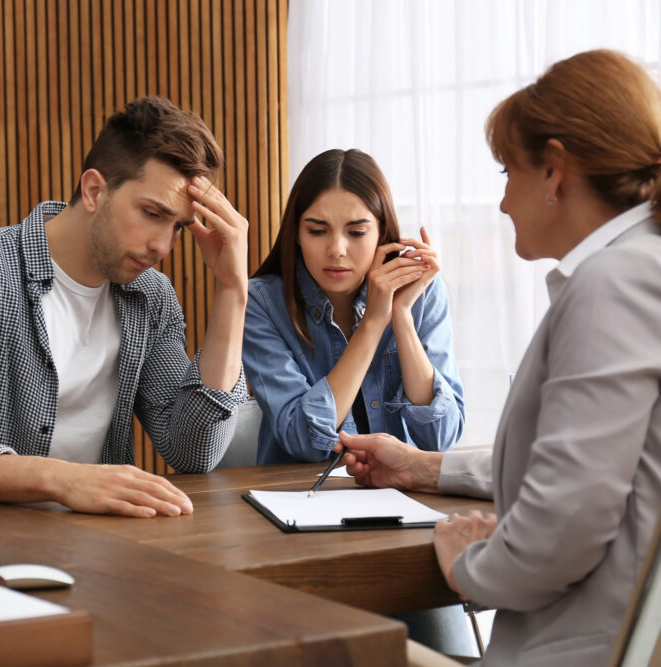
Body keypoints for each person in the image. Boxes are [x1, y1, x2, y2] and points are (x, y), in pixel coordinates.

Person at [337, 49, 661, 666]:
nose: (505, 202)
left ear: (555, 172)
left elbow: (562, 532)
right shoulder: (639, 269)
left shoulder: (613, 285)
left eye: (508, 170)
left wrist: (469, 568)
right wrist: (423, 469)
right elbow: (596, 465)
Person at [0, 96, 250, 518]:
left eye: (178, 227)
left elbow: (193, 451)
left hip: (110, 547)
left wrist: (231, 290)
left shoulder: (151, 297)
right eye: (152, 213)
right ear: (94, 190)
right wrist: (64, 480)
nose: (163, 246)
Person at [242, 148, 464, 464]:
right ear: (296, 234)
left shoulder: (420, 291)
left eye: (357, 232)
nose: (336, 249)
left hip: (400, 496)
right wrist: (373, 322)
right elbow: (303, 437)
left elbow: (441, 437)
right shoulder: (263, 302)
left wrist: (399, 314)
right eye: (317, 231)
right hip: (300, 501)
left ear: (382, 232)